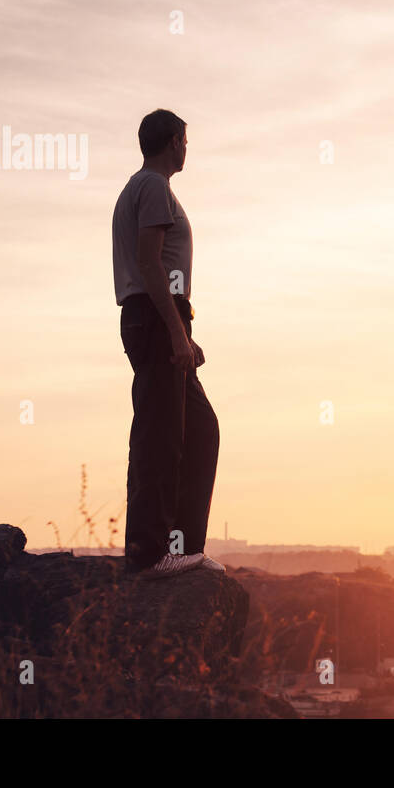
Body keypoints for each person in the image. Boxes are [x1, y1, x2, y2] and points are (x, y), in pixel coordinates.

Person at [111, 109, 223, 577]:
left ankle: (181, 548)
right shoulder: (153, 187)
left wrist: (184, 330)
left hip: (165, 317)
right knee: (161, 435)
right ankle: (150, 552)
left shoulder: (143, 187)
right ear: (175, 141)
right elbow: (150, 263)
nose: (186, 150)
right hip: (157, 317)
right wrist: (176, 331)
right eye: (185, 141)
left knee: (198, 430)